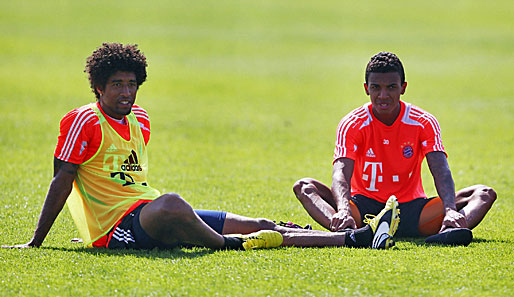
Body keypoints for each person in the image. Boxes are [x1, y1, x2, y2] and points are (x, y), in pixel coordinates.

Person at [3, 43, 399, 251]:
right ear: (98, 88)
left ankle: (352, 238)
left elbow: (122, 181)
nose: (126, 92)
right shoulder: (83, 120)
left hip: (145, 212)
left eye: (131, 83)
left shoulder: (140, 120)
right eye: (116, 85)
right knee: (175, 204)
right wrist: (41, 240)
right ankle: (229, 247)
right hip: (118, 229)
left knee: (262, 225)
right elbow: (64, 182)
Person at [293, 51, 496, 245]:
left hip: (413, 212)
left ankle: (449, 230)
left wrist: (450, 210)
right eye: (376, 88)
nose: (383, 95)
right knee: (304, 186)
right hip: (363, 211)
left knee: (484, 193)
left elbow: (441, 170)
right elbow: (340, 173)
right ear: (366, 88)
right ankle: (350, 233)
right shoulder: (352, 123)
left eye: (391, 87)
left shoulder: (423, 121)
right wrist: (344, 210)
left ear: (403, 87)